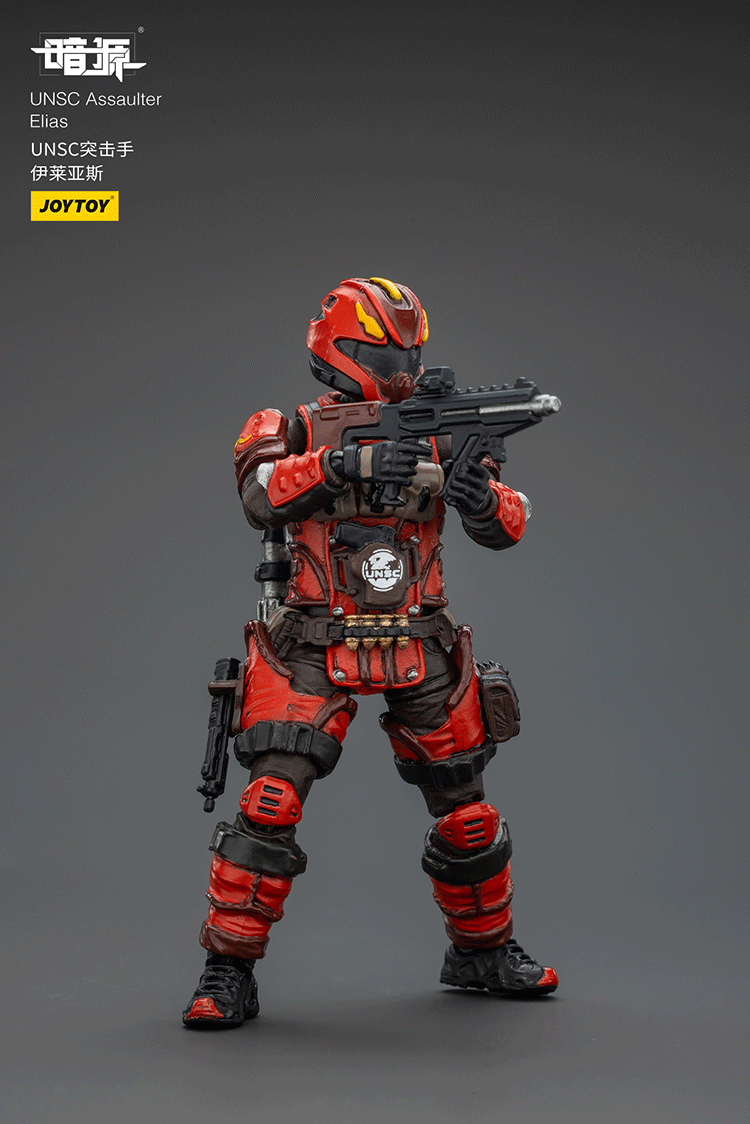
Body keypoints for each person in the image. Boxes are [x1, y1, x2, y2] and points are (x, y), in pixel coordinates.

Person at [183, 277, 558, 1026]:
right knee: (270, 800)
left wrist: (480, 499)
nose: (401, 371)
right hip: (313, 638)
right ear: (342, 351)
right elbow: (258, 492)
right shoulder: (290, 426)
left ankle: (482, 952)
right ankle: (227, 971)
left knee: (466, 811)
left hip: (419, 636)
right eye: (386, 356)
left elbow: (508, 524)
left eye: (408, 357)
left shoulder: (442, 431)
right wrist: (342, 466)